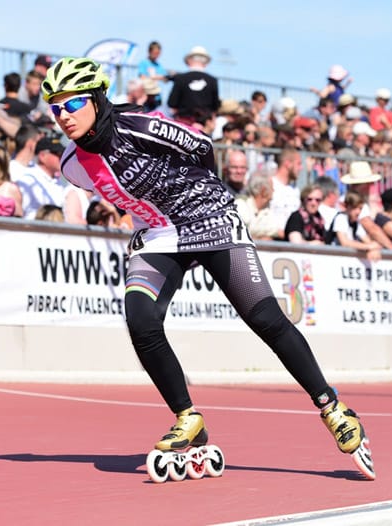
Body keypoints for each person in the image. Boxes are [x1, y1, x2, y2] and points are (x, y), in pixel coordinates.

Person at [41, 57, 374, 480]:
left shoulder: (139, 124)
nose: (63, 116)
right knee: (140, 320)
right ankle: (188, 418)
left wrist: (199, 197)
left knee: (265, 319)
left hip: (210, 218)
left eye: (71, 105)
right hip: (160, 236)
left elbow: (202, 149)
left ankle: (332, 406)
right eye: (55, 108)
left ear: (97, 99)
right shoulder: (72, 165)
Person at [15, 136, 66, 219]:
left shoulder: (58, 181)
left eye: (63, 154)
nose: (61, 157)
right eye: (58, 153)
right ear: (42, 156)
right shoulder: (28, 180)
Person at [167, 46, 219, 124]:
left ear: (189, 61)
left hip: (183, 123)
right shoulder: (212, 81)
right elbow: (215, 107)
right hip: (204, 125)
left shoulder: (180, 79)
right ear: (205, 62)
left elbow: (172, 103)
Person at [234, 172, 278, 240]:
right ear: (263, 190)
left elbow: (275, 231)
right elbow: (239, 234)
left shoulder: (268, 209)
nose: (274, 190)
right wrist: (261, 238)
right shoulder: (241, 205)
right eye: (272, 187)